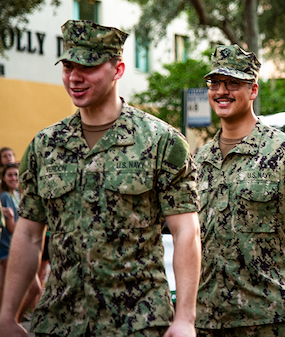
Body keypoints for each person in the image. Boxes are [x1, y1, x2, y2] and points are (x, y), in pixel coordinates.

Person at [0, 20, 201, 337]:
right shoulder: (45, 145)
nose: (74, 77)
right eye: (68, 65)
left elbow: (186, 231)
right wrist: (7, 315)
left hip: (138, 321)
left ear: (118, 70)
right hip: (60, 321)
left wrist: (185, 318)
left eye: (88, 66)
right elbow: (28, 235)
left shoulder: (162, 142)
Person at [194, 44, 285, 337]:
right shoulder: (200, 159)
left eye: (233, 83)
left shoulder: (284, 151)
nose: (221, 91)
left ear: (253, 90)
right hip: (208, 318)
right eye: (215, 83)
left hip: (269, 315)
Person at [0, 163, 42, 321]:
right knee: (34, 288)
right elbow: (12, 228)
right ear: (3, 178)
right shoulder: (5, 196)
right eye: (9, 175)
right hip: (9, 249)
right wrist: (32, 225)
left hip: (14, 249)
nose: (14, 178)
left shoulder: (15, 195)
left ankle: (10, 321)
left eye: (16, 174)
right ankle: (10, 321)